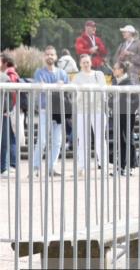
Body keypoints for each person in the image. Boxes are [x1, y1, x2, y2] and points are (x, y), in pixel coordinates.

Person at [31, 46, 70, 176]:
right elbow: (37, 88)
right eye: (47, 54)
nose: (50, 57)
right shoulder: (39, 72)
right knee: (42, 140)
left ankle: (51, 167)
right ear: (44, 56)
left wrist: (62, 87)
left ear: (56, 56)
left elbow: (68, 90)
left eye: (52, 54)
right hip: (44, 109)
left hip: (58, 111)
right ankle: (35, 168)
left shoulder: (62, 73)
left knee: (57, 141)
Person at [71, 54, 107, 172]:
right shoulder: (77, 77)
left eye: (87, 62)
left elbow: (104, 91)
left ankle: (103, 163)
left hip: (98, 110)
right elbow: (74, 95)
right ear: (80, 64)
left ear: (91, 62)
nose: (86, 64)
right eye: (83, 63)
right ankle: (82, 165)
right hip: (82, 110)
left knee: (100, 138)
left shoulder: (99, 74)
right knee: (82, 138)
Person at [108, 61, 140, 175]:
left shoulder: (129, 82)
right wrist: (111, 104)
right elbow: (111, 98)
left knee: (127, 138)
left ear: (121, 70)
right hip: (117, 113)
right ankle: (121, 166)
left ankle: (129, 165)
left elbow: (136, 100)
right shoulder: (115, 82)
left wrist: (131, 110)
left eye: (115, 68)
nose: (113, 70)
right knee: (121, 139)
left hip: (127, 114)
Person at [1, 54, 21, 174]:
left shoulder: (7, 76)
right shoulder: (8, 76)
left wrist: (7, 109)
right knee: (8, 139)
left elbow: (11, 96)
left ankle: (6, 166)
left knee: (7, 139)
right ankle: (8, 166)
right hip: (6, 112)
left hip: (5, 112)